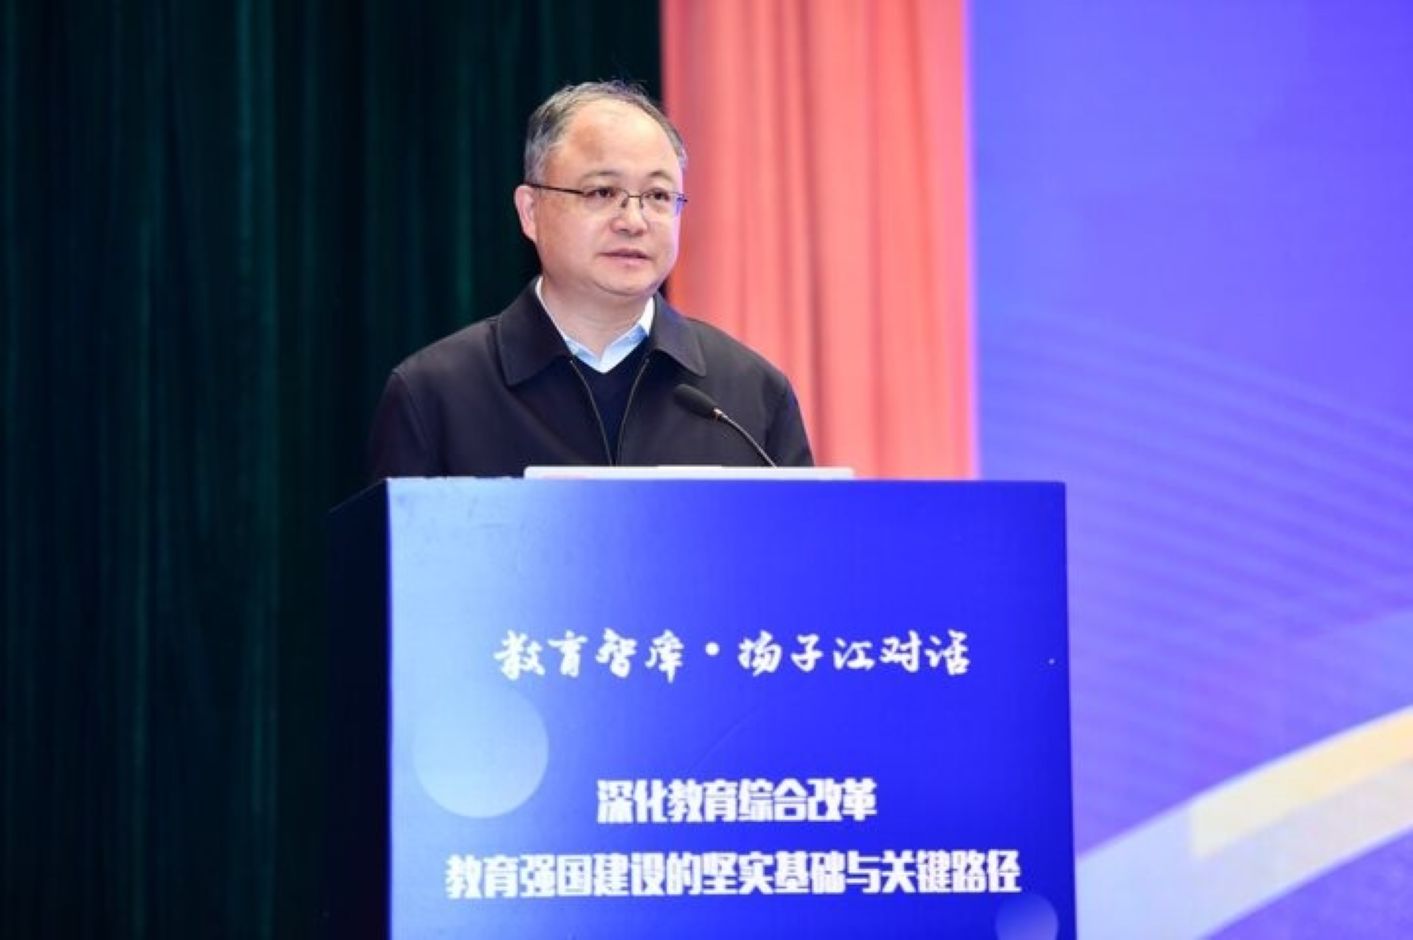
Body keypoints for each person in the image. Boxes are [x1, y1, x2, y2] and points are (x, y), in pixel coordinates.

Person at [368, 81, 813, 479]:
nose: (633, 221)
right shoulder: (435, 394)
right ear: (530, 211)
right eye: (602, 192)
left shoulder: (750, 396)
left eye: (658, 196)